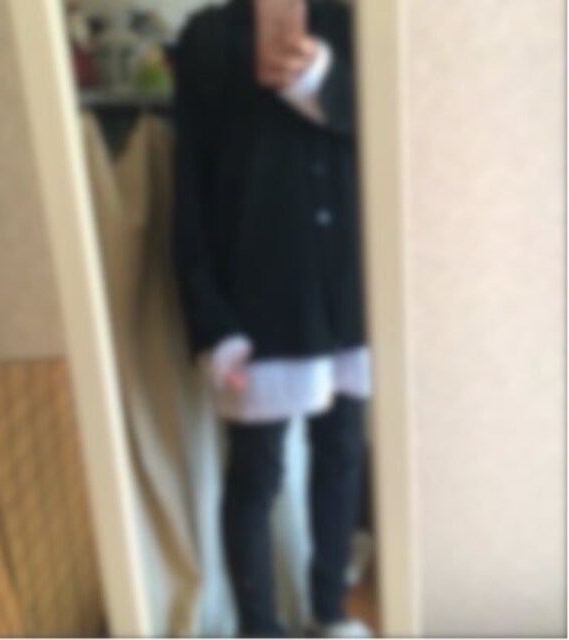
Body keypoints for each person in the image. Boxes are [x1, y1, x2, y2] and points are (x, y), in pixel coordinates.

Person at [173, 0, 373, 636]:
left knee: (342, 452)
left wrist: (322, 80)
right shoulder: (207, 38)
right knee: (256, 472)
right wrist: (210, 317)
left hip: (351, 288)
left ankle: (330, 613)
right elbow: (190, 186)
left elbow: (390, 137)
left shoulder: (357, 23)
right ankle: (259, 627)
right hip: (259, 297)